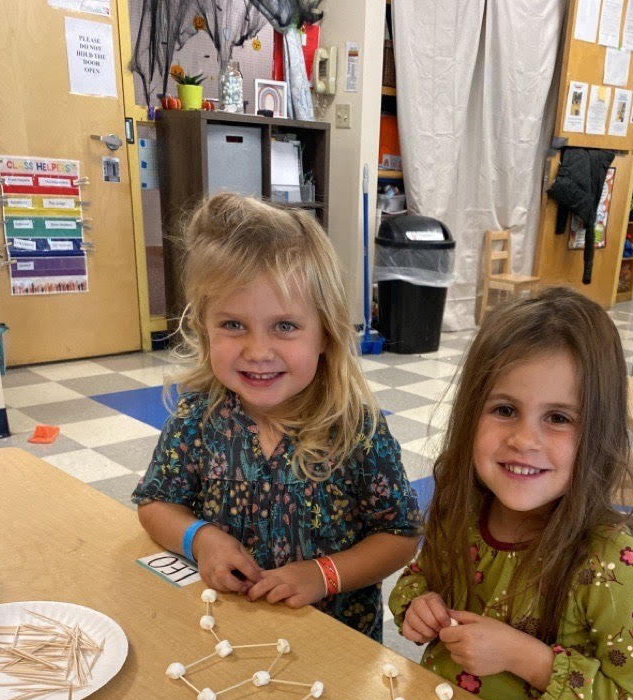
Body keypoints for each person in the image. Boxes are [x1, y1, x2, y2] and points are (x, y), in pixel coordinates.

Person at [389, 288, 633, 700]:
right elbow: (418, 580)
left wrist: (527, 658)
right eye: (504, 410)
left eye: (558, 418)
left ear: (596, 434)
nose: (524, 439)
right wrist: (418, 605)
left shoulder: (611, 566)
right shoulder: (459, 510)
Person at [134, 193, 421, 640]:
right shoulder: (199, 416)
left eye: (284, 326)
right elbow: (155, 505)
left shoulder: (355, 428)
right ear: (204, 329)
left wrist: (322, 575)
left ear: (326, 333)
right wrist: (201, 539)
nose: (258, 351)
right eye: (233, 325)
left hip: (333, 641)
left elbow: (400, 536)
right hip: (223, 631)